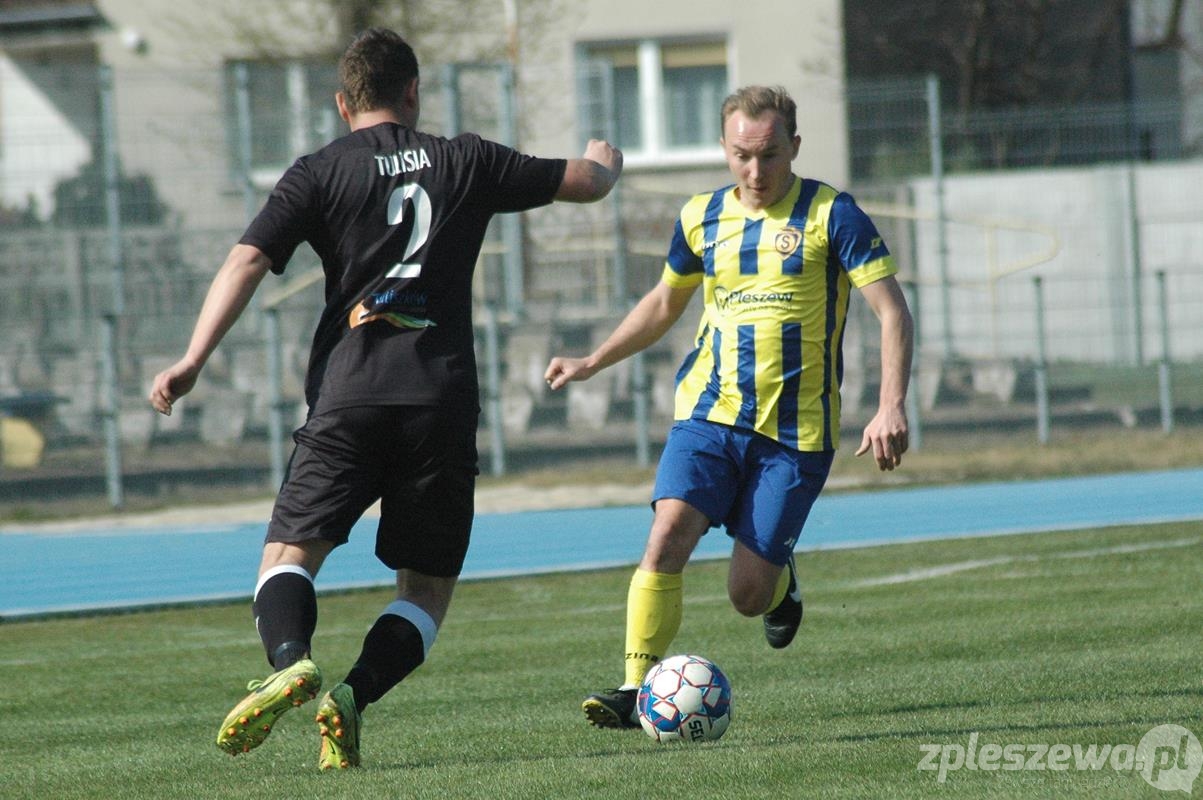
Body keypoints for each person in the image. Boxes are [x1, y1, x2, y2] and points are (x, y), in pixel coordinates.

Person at [149, 27, 622, 768]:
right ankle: (352, 696)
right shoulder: (467, 158)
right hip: (440, 400)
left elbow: (247, 259)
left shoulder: (318, 172)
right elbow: (586, 183)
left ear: (343, 103)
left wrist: (192, 358)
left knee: (288, 555)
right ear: (413, 92)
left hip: (351, 395)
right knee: (426, 588)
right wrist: (604, 159)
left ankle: (292, 661)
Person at [543, 85, 912, 729]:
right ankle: (634, 688)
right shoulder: (701, 216)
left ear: (794, 147)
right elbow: (665, 303)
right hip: (708, 413)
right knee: (667, 534)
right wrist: (592, 360)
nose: (755, 170)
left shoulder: (833, 214)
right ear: (723, 148)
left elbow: (892, 312)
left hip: (796, 433)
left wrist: (890, 406)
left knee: (747, 595)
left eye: (769, 155)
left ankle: (780, 582)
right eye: (742, 155)